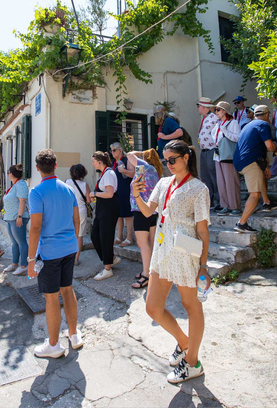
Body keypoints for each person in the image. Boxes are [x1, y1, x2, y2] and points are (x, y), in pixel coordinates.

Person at [131, 140, 210, 384]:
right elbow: (147, 212)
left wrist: (204, 267)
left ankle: (193, 362)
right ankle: (184, 343)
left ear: (186, 158)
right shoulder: (164, 182)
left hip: (186, 252)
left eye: (173, 160)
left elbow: (203, 230)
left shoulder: (199, 189)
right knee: (152, 307)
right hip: (163, 250)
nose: (169, 164)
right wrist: (136, 193)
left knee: (192, 307)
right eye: (166, 160)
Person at [28, 149, 83, 358]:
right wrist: (74, 242)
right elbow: (76, 220)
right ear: (56, 164)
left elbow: (35, 228)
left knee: (51, 298)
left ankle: (53, 346)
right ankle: (74, 334)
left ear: (37, 168)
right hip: (69, 247)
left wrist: (31, 259)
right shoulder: (68, 190)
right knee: (68, 290)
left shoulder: (37, 192)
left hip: (50, 252)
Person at [233, 106, 277, 233]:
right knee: (254, 194)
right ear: (267, 115)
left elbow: (256, 146)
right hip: (250, 161)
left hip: (240, 160)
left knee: (262, 177)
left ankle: (267, 202)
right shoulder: (263, 124)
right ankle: (241, 223)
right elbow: (269, 146)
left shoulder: (248, 125)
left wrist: (265, 165)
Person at [130, 148, 161, 289]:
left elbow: (129, 155)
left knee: (143, 244)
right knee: (151, 242)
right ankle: (152, 271)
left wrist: (138, 152)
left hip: (141, 209)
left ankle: (146, 275)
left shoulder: (145, 167)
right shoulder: (156, 171)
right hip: (153, 210)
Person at [90, 151, 120, 281]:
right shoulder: (105, 174)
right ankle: (111, 259)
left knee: (105, 237)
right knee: (95, 235)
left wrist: (94, 194)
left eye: (93, 161)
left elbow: (109, 194)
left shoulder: (108, 173)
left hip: (108, 209)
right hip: (103, 209)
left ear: (99, 162)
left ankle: (107, 268)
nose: (92, 164)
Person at [212, 101, 242, 216]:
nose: (216, 112)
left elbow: (237, 138)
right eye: (215, 110)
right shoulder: (218, 123)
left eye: (218, 110)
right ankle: (225, 205)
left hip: (228, 155)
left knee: (231, 181)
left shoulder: (233, 123)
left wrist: (225, 131)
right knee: (221, 182)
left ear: (224, 111)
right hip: (218, 155)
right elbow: (214, 136)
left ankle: (235, 206)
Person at [2, 164, 30, 275]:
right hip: (10, 218)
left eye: (9, 172)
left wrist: (19, 216)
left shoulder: (21, 185)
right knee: (14, 242)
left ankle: (23, 265)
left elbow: (22, 201)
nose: (8, 174)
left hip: (17, 218)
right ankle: (14, 264)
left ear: (11, 174)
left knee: (21, 242)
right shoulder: (15, 185)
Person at [196, 97, 221, 211]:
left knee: (214, 175)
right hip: (204, 151)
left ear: (204, 107)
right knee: (205, 176)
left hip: (211, 150)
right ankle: (209, 200)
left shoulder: (214, 117)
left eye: (199, 106)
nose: (198, 108)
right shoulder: (206, 118)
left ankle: (219, 200)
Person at [66, 164, 92, 266]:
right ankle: (76, 259)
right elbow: (89, 201)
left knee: (69, 234)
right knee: (79, 236)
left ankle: (68, 257)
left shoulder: (67, 182)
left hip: (69, 211)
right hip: (81, 210)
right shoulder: (85, 184)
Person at [111, 142, 135, 246]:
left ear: (120, 150)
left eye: (114, 150)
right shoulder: (115, 162)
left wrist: (124, 171)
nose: (112, 152)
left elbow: (133, 173)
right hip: (117, 191)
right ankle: (119, 236)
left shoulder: (127, 160)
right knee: (118, 215)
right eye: (111, 150)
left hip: (126, 191)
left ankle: (129, 238)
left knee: (128, 215)